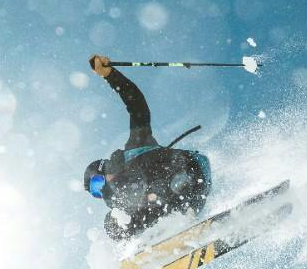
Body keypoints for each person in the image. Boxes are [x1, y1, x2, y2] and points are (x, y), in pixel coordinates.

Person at [82, 54, 211, 238]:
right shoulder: (123, 196)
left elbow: (136, 104)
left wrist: (109, 74)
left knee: (127, 187)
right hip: (178, 206)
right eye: (96, 192)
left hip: (189, 172)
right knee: (113, 222)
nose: (101, 190)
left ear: (105, 167)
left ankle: (176, 211)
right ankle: (156, 243)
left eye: (97, 182)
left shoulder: (134, 148)